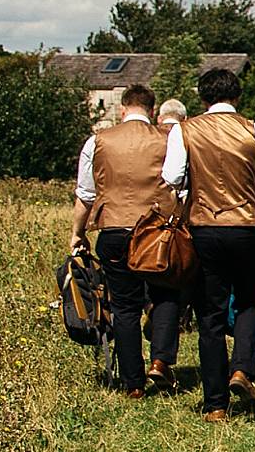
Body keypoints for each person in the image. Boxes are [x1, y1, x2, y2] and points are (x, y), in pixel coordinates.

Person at [68, 71, 187, 397]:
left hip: (115, 229)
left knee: (124, 306)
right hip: (157, 230)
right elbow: (182, 185)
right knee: (165, 294)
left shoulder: (98, 141)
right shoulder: (168, 138)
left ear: (122, 109)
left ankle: (132, 383)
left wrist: (77, 233)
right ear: (151, 110)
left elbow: (85, 195)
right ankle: (160, 361)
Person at [180, 58, 255, 424]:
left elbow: (173, 177)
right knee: (251, 298)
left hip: (204, 226)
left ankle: (215, 404)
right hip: (247, 226)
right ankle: (242, 367)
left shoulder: (185, 130)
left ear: (203, 97)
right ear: (238, 95)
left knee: (209, 311)